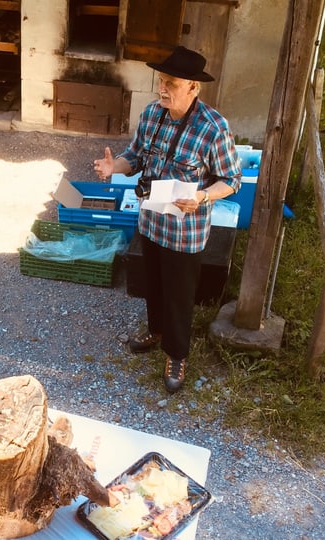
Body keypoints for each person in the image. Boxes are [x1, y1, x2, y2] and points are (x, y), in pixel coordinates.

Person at [93, 46, 241, 393]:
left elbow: (231, 180)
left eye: (171, 83)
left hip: (185, 230)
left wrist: (203, 196)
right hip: (151, 221)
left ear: (193, 87)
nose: (163, 88)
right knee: (152, 284)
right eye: (162, 80)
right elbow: (136, 157)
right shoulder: (151, 115)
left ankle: (176, 354)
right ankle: (154, 329)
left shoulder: (213, 127)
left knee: (178, 293)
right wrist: (115, 167)